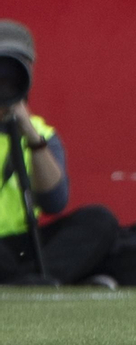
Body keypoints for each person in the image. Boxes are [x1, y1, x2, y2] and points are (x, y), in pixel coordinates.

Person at [0, 21, 119, 287]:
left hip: (24, 243)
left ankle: (30, 281)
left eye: (14, 72)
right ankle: (37, 280)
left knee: (99, 221)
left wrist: (30, 136)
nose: (5, 81)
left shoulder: (41, 132)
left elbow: (55, 202)